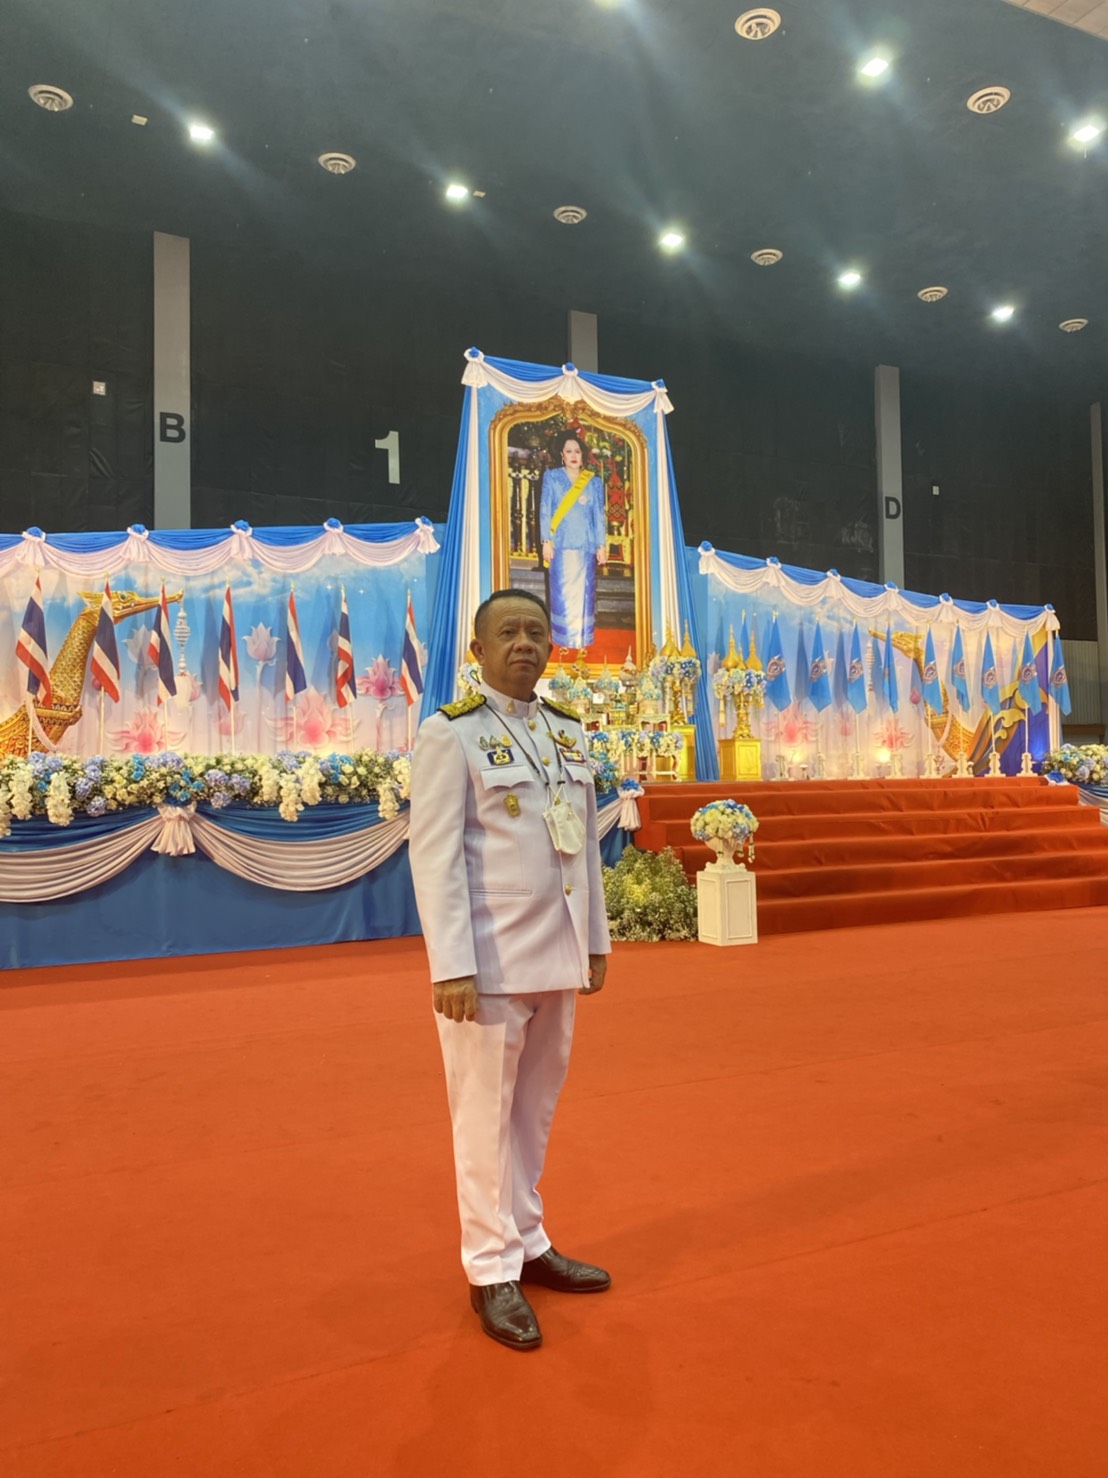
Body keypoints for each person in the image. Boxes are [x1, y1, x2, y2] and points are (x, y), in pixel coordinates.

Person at [408, 589, 612, 1351]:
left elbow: (582, 847)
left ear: (550, 647)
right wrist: (451, 965)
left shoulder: (567, 730)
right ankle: (489, 1269)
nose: (523, 643)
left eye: (535, 631)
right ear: (478, 650)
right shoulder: (450, 734)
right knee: (483, 1119)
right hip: (488, 965)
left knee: (533, 1113)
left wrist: (595, 942)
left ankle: (527, 1241)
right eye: (508, 633)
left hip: (555, 955)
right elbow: (434, 857)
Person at [540, 431, 608, 649]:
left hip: (585, 545)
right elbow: (545, 510)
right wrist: (546, 541)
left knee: (584, 593)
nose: (573, 455)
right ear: (562, 455)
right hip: (560, 543)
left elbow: (599, 515)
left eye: (577, 451)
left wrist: (601, 545)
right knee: (562, 592)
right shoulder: (552, 477)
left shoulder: (594, 482)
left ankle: (583, 637)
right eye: (568, 451)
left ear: (582, 455)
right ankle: (562, 638)